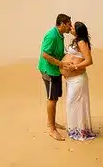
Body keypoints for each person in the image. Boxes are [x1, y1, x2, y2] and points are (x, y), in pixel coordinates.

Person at [38, 13, 72, 141]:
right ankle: (52, 129)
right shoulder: (52, 36)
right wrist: (61, 63)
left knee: (55, 97)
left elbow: (58, 52)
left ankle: (51, 122)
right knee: (52, 99)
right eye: (69, 24)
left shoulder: (60, 34)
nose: (70, 27)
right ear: (62, 24)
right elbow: (45, 54)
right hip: (49, 71)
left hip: (56, 70)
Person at [62, 21, 95, 141]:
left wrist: (75, 67)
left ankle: (79, 131)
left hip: (78, 79)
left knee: (73, 103)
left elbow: (89, 60)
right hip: (71, 79)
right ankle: (74, 129)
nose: (71, 28)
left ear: (78, 31)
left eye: (73, 27)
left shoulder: (82, 42)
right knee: (72, 103)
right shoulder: (76, 41)